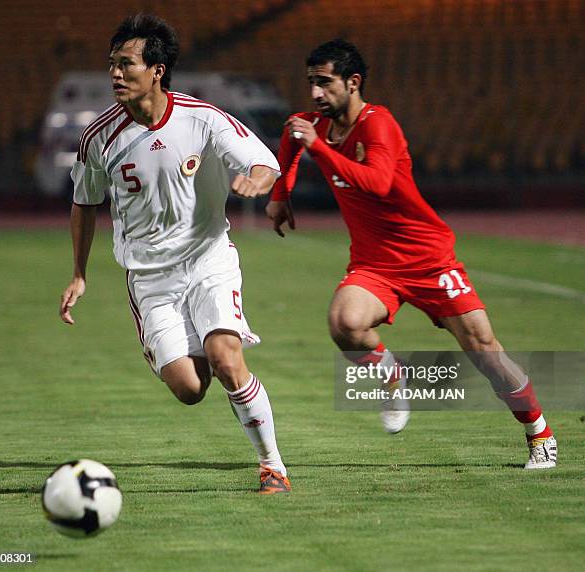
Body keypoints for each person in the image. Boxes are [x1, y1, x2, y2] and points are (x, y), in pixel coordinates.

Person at [266, 39, 557, 469]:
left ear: (353, 82)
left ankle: (539, 433)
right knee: (344, 323)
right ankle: (393, 378)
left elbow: (379, 183)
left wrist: (318, 148)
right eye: (311, 83)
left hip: (428, 260)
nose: (314, 94)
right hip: (374, 265)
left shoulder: (378, 124)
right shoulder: (313, 126)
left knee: (484, 351)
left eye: (324, 83)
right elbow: (291, 137)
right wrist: (281, 193)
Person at [59, 14, 291, 493]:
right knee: (189, 389)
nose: (115, 74)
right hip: (149, 278)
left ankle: (272, 466)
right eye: (112, 65)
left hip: (208, 259)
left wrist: (258, 179)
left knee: (227, 357)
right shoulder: (98, 137)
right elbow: (84, 204)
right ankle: (196, 350)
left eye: (126, 64)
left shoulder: (201, 119)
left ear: (157, 70)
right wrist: (79, 273)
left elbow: (263, 160)